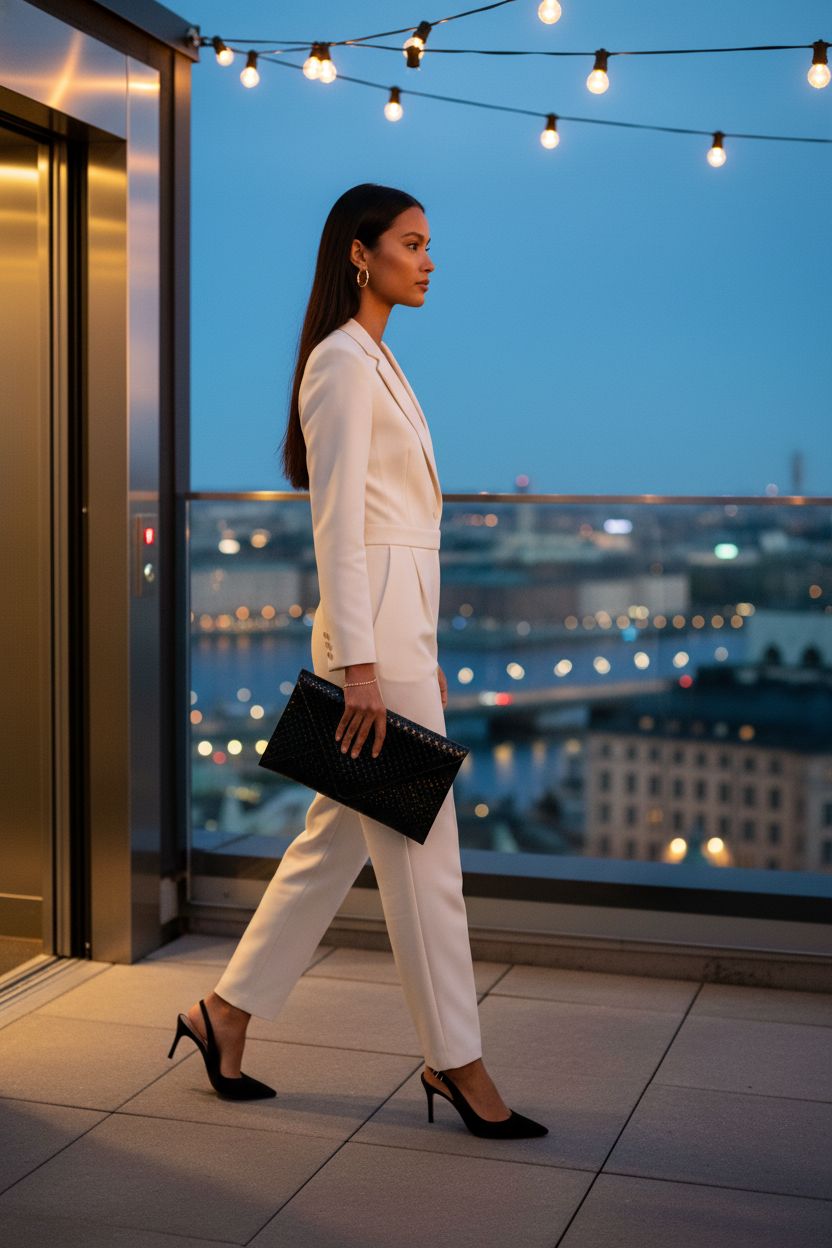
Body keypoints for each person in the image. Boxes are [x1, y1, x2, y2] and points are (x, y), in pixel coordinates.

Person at [168, 184, 547, 1139]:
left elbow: (401, 530)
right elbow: (337, 526)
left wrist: (417, 650)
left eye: (428, 245)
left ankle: (223, 1015)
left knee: (333, 839)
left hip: (395, 634)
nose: (429, 261)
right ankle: (455, 1059)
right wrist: (365, 666)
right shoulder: (340, 362)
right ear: (359, 253)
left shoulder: (377, 358)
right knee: (427, 857)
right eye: (412, 244)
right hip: (371, 640)